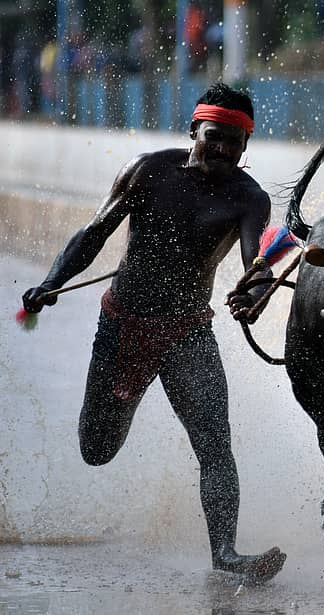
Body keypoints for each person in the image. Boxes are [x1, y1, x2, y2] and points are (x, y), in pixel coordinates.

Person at [21, 82, 286, 583]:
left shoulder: (249, 199)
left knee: (215, 444)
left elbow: (258, 265)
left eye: (234, 142)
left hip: (188, 333)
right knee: (96, 450)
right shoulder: (148, 171)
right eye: (213, 136)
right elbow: (94, 233)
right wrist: (52, 281)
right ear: (193, 131)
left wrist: (254, 296)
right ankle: (121, 408)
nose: (222, 149)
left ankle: (226, 554)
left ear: (246, 146)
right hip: (123, 326)